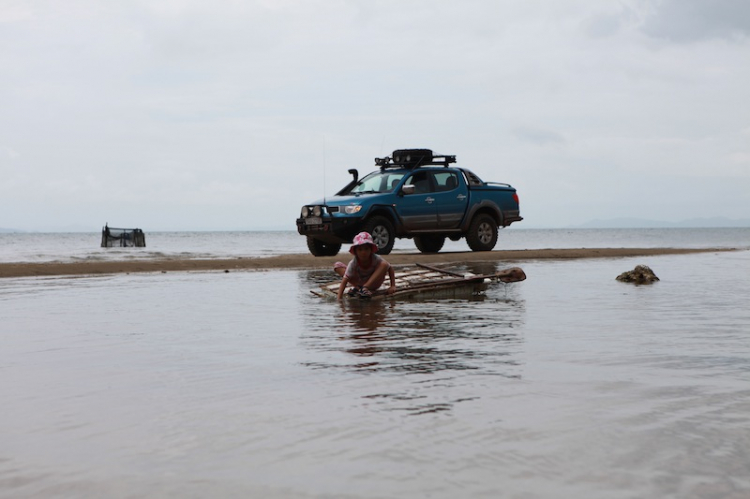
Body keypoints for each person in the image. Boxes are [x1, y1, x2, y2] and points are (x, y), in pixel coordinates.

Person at [335, 232, 396, 300]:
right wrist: (339, 299)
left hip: (373, 283)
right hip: (359, 282)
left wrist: (392, 286)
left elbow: (389, 268)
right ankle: (359, 288)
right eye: (360, 250)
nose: (363, 252)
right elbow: (344, 280)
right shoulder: (353, 263)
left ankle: (365, 288)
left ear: (371, 250)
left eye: (366, 249)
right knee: (338, 266)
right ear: (356, 252)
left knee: (384, 264)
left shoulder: (375, 258)